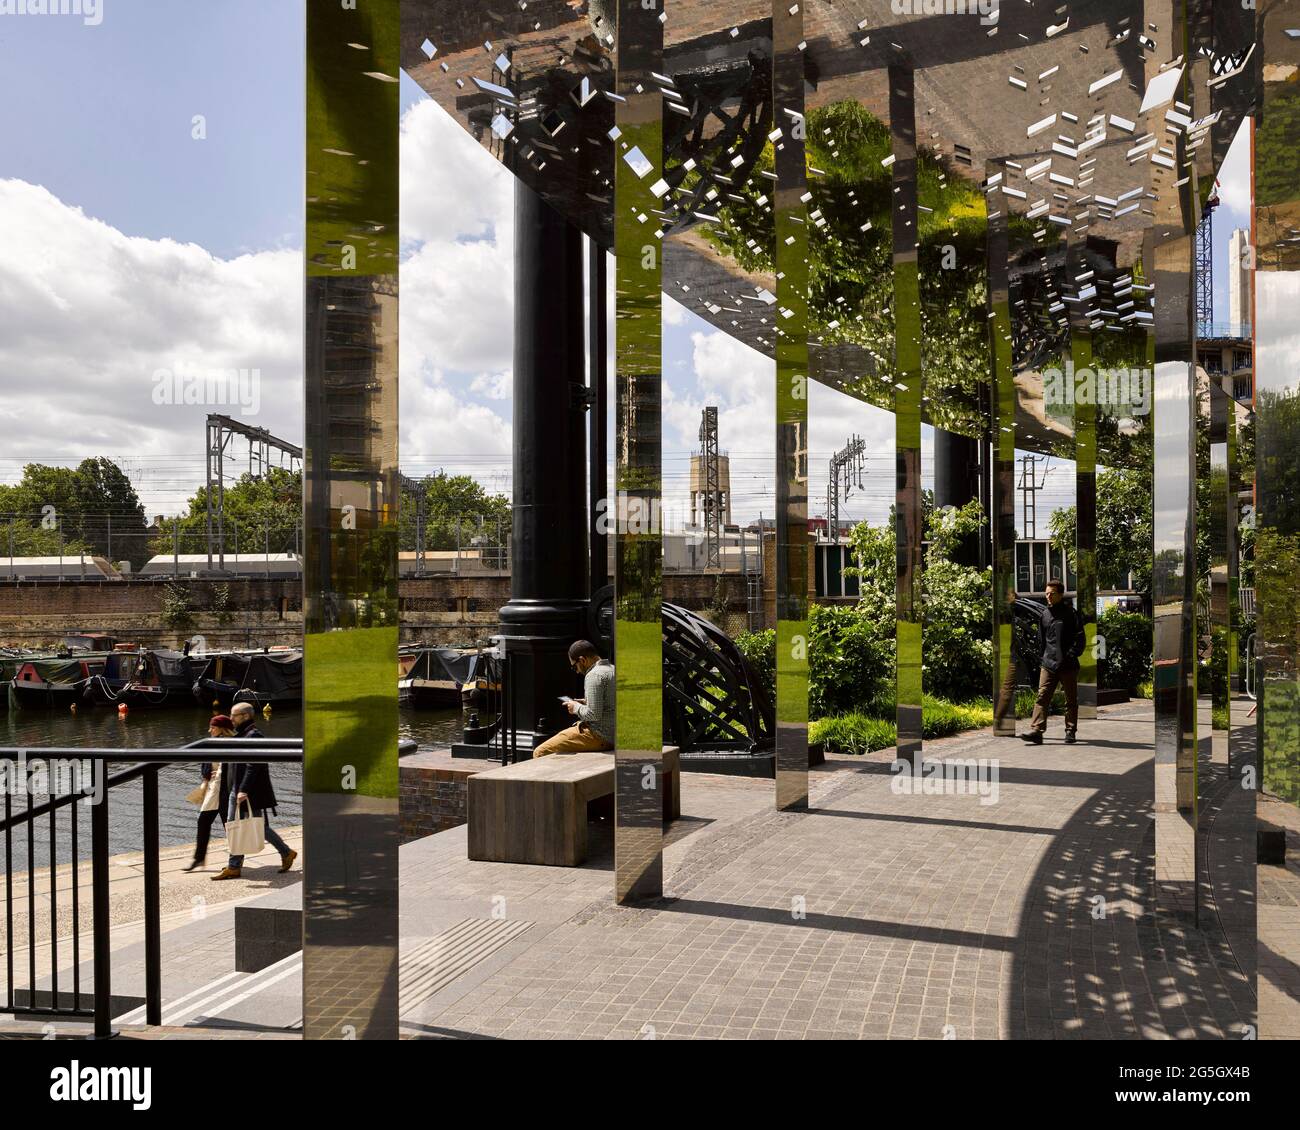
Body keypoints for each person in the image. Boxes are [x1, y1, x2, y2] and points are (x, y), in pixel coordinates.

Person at [211, 701, 297, 879]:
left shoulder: (253, 736)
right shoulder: (242, 735)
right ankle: (236, 864)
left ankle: (236, 865)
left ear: (245, 716)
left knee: (249, 826)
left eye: (234, 716)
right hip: (237, 788)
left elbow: (253, 765)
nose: (231, 719)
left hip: (247, 791)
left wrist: (243, 790)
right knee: (237, 826)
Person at [1021, 578, 1086, 745]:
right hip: (1048, 664)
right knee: (1042, 697)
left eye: (1052, 594)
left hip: (1068, 665)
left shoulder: (1072, 614)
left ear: (1061, 595)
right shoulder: (1044, 614)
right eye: (1047, 594)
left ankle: (1070, 731)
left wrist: (1071, 654)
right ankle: (1037, 731)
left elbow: (1080, 639)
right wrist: (1043, 659)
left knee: (1070, 700)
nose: (1048, 596)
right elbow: (1041, 640)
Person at [532, 640, 615, 757]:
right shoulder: (612, 669)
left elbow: (593, 714)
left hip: (599, 736)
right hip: (614, 735)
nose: (576, 671)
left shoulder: (594, 675)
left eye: (574, 666)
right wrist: (587, 702)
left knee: (540, 752)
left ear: (582, 660)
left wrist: (575, 707)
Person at [182, 714, 233, 873]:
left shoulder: (232, 744)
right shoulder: (209, 744)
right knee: (204, 822)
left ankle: (235, 862)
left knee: (229, 826)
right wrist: (207, 774)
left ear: (222, 729)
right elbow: (205, 765)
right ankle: (199, 858)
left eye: (213, 727)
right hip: (213, 790)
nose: (209, 730)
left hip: (225, 791)